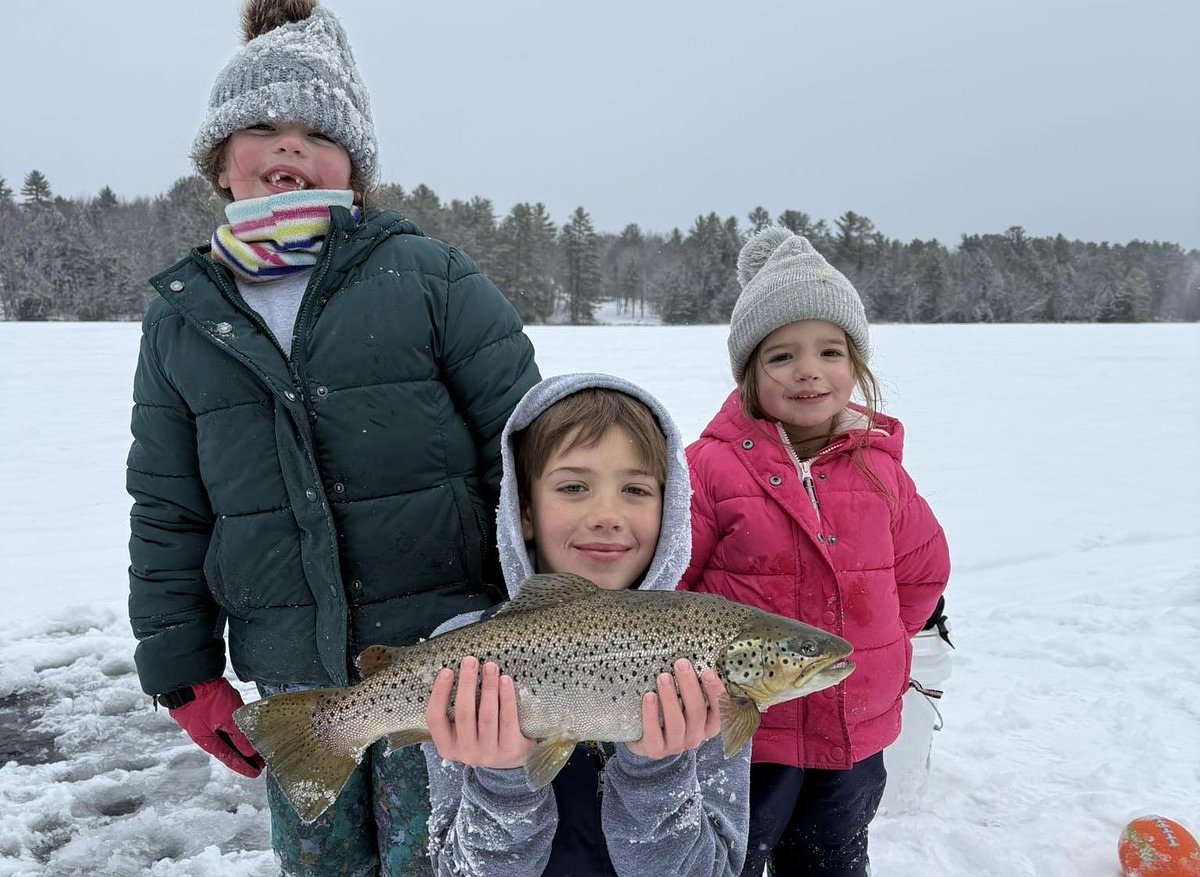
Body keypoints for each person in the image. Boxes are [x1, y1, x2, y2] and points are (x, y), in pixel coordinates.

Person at [125, 1, 539, 873]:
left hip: (448, 662)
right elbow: (166, 508)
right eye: (262, 127)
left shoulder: (428, 275)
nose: (288, 148)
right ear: (218, 162)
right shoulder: (181, 321)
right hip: (294, 672)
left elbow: (534, 449)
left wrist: (565, 601)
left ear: (355, 167)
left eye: (318, 131)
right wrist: (182, 670)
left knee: (438, 859)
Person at [681, 227, 951, 877]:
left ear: (855, 365)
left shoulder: (882, 470)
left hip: (852, 729)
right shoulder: (709, 469)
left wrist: (884, 640)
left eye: (830, 350)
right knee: (731, 858)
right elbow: (672, 582)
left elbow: (923, 572)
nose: (809, 370)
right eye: (782, 356)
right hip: (747, 735)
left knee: (831, 860)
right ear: (749, 371)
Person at [421, 374, 750, 876]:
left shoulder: (707, 661)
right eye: (574, 487)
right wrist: (500, 783)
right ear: (524, 512)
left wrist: (658, 776)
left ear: (671, 509)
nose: (606, 515)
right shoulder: (459, 654)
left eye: (636, 489)